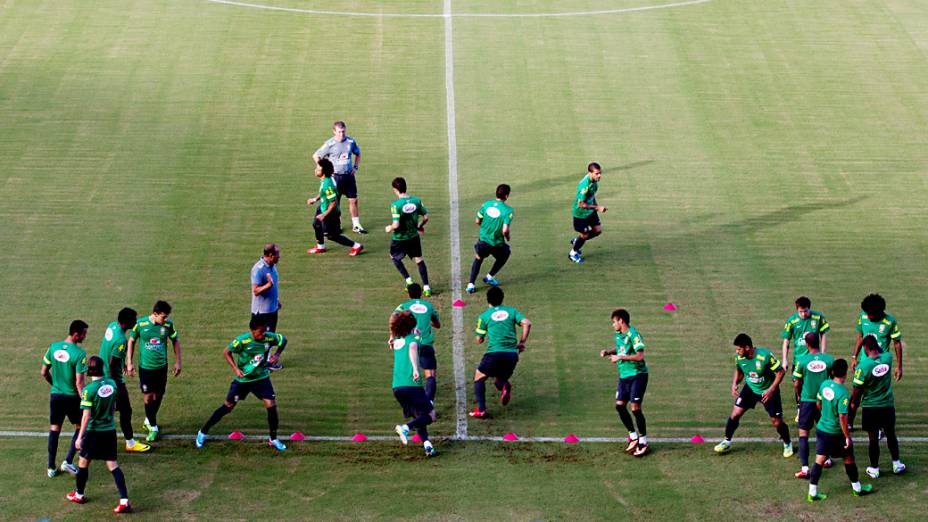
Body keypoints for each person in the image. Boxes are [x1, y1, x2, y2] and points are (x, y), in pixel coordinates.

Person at [196, 316, 288, 451]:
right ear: (252, 330)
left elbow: (283, 340)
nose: (263, 335)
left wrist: (277, 354)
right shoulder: (242, 341)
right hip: (243, 381)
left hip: (261, 379)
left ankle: (273, 438)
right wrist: (235, 369)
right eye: (260, 332)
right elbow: (226, 352)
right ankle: (202, 432)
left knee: (271, 405)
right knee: (228, 407)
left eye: (264, 331)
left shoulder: (269, 337)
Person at [66, 356, 132, 513]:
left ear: (89, 370)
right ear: (102, 368)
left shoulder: (89, 390)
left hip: (94, 433)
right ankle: (124, 500)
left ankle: (79, 494)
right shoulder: (112, 383)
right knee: (113, 465)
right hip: (109, 431)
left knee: (83, 463)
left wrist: (80, 437)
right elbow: (114, 405)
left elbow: (86, 416)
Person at [714, 333, 793, 457]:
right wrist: (735, 383)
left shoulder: (765, 356)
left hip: (768, 391)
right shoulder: (739, 358)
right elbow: (739, 370)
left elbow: (780, 372)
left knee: (777, 422)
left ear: (747, 348)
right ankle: (727, 440)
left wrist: (772, 389)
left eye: (739, 349)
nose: (737, 351)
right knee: (735, 414)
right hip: (750, 389)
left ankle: (787, 443)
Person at [806, 359, 873, 502]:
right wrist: (847, 436)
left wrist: (826, 416)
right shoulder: (843, 393)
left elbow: (818, 403)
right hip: (835, 433)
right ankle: (857, 489)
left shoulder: (824, 384)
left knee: (819, 460)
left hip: (822, 429)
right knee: (848, 458)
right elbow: (843, 416)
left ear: (832, 372)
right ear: (846, 373)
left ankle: (812, 492)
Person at [469, 287, 531, 418]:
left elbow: (479, 340)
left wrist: (482, 334)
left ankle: (481, 409)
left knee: (479, 378)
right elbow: (527, 323)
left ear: (488, 301)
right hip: (512, 355)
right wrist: (522, 342)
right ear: (502, 299)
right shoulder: (511, 311)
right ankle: (505, 386)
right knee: (499, 381)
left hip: (494, 354)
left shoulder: (484, 316)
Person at [850, 335, 905, 478]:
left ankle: (874, 468)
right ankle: (896, 463)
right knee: (891, 434)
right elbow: (882, 352)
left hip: (871, 406)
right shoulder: (888, 358)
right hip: (887, 404)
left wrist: (853, 403)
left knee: (873, 439)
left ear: (866, 348)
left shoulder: (863, 366)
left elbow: (857, 389)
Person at [126, 300, 181, 442]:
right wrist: (129, 362)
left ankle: (149, 420)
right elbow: (131, 340)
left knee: (159, 395)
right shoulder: (141, 324)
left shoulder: (168, 325)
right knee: (148, 397)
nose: (165, 319)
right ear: (155, 314)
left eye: (167, 316)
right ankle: (153, 426)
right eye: (163, 316)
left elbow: (175, 341)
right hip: (146, 368)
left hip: (162, 367)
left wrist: (178, 362)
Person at [98, 308, 150, 453]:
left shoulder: (112, 326)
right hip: (112, 380)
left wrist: (124, 366)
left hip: (101, 377)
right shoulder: (121, 339)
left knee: (109, 410)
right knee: (125, 410)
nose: (135, 323)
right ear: (126, 322)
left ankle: (93, 438)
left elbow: (109, 352)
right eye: (133, 320)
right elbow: (112, 362)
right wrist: (115, 386)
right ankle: (130, 443)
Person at [849, 293, 903, 430]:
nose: (868, 316)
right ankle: (849, 421)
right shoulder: (862, 317)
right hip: (864, 364)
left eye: (871, 314)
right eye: (867, 313)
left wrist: (899, 366)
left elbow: (897, 343)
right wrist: (854, 357)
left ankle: (879, 428)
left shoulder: (890, 322)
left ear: (880, 312)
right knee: (856, 393)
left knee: (878, 395)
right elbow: (860, 336)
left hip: (880, 366)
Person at [41, 320, 89, 478]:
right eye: (83, 333)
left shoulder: (53, 347)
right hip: (72, 398)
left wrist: (54, 384)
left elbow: (43, 372)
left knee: (55, 429)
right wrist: (85, 401)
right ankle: (68, 460)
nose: (85, 336)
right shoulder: (80, 354)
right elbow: (79, 382)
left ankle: (50, 467)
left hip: (56, 396)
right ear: (76, 334)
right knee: (79, 426)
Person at [600, 309, 650, 457]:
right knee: (620, 406)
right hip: (624, 377)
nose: (613, 325)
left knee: (635, 408)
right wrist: (610, 352)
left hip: (637, 375)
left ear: (621, 321)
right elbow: (622, 348)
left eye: (614, 322)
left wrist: (620, 357)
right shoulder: (619, 334)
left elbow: (640, 356)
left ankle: (643, 441)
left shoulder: (633, 334)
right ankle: (633, 437)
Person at [389, 311, 437, 457]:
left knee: (419, 415)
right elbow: (413, 347)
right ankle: (405, 428)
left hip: (397, 387)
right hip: (412, 385)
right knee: (431, 415)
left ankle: (427, 445)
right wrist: (416, 369)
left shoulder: (396, 342)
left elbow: (397, 341)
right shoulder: (415, 338)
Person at [791, 332, 833, 478]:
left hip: (807, 401)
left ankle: (804, 468)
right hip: (824, 401)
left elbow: (796, 382)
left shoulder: (802, 361)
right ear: (819, 342)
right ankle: (826, 459)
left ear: (807, 344)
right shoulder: (829, 360)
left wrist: (798, 394)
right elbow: (833, 380)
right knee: (824, 430)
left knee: (803, 434)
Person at [313, 121, 366, 233]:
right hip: (335, 177)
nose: (342, 134)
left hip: (349, 176)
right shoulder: (329, 144)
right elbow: (316, 156)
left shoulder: (351, 141)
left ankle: (356, 225)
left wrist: (355, 167)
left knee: (354, 200)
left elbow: (358, 153)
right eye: (339, 132)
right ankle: (336, 225)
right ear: (334, 132)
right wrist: (324, 169)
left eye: (343, 131)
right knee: (335, 202)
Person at [394, 283, 441, 403]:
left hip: (409, 344)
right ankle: (429, 401)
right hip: (425, 344)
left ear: (409, 294)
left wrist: (392, 336)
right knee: (430, 375)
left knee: (410, 372)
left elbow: (394, 318)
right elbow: (437, 325)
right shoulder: (428, 306)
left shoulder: (404, 306)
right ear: (421, 293)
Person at [306, 158, 363, 256]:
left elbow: (333, 202)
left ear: (324, 172)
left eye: (318, 169)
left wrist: (324, 214)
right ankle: (320, 247)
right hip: (323, 207)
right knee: (316, 224)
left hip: (330, 213)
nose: (315, 170)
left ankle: (356, 246)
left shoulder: (327, 185)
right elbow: (323, 193)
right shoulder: (325, 180)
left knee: (332, 236)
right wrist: (315, 199)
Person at [385, 177, 431, 296]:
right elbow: (426, 217)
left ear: (395, 190)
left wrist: (389, 228)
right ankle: (426, 287)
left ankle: (409, 281)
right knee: (419, 259)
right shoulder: (416, 200)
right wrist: (420, 226)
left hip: (399, 238)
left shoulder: (395, 205)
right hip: (413, 237)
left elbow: (396, 224)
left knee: (394, 256)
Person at [466, 184, 514, 293]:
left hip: (483, 241)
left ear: (496, 193)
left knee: (478, 258)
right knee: (505, 254)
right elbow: (505, 230)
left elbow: (477, 221)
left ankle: (471, 284)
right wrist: (508, 237)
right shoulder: (508, 211)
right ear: (506, 196)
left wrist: (486, 228)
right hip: (497, 244)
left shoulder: (486, 205)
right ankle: (489, 277)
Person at [568, 162, 607, 264]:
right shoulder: (584, 186)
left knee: (597, 230)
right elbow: (581, 204)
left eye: (600, 173)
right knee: (584, 235)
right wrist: (597, 207)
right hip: (580, 214)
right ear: (590, 173)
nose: (599, 175)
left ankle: (577, 241)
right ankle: (573, 253)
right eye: (597, 173)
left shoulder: (594, 182)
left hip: (590, 211)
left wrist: (595, 207)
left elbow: (592, 197)